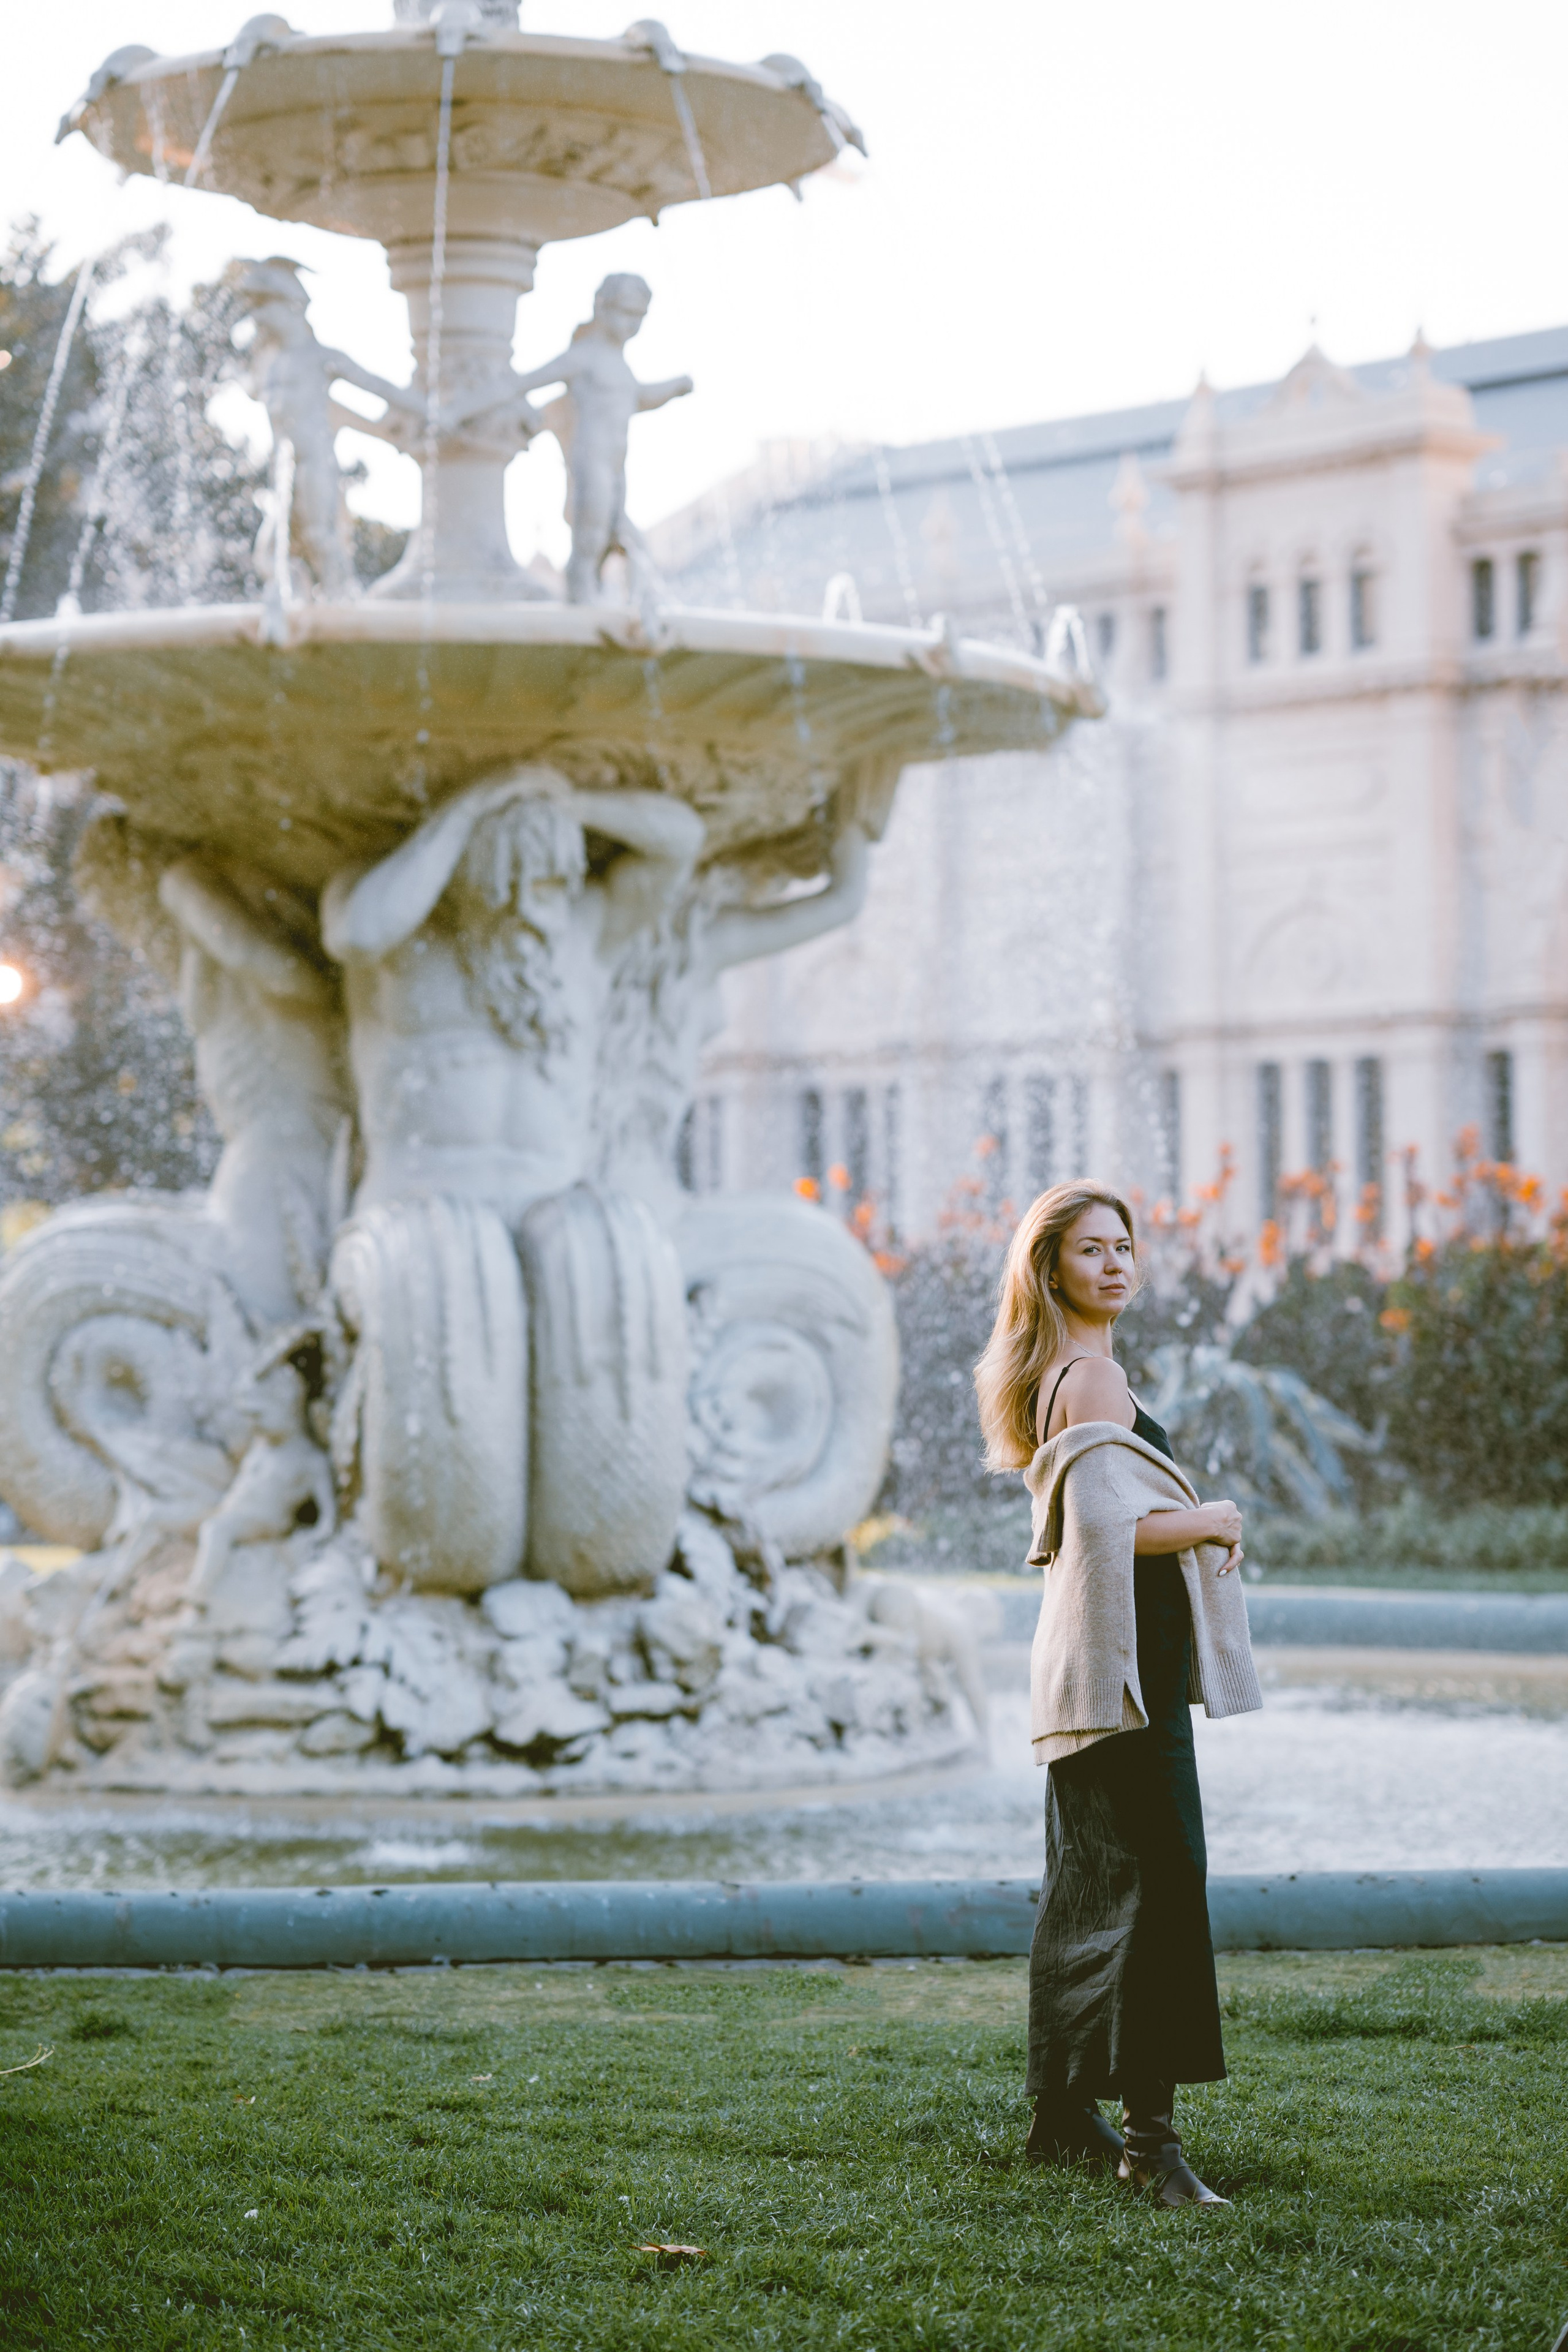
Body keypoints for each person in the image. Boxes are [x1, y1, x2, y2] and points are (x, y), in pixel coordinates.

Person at [973, 1181, 1262, 2208]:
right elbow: (1106, 1530)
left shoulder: (1069, 1369)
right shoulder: (1091, 1377)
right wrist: (1213, 1517)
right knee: (1164, 1892)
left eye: (1124, 1246)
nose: (1115, 1263)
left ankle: (1061, 2116)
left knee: (1092, 1895)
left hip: (1092, 1676)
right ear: (1049, 1269)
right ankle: (1152, 2145)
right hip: (1124, 1683)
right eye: (1090, 1249)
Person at [320, 764, 704, 1228]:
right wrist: (468, 810)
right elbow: (359, 935)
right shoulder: (407, 937)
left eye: (546, 887)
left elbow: (684, 840)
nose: (525, 909)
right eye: (502, 888)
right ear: (464, 877)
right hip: (418, 1215)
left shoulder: (587, 933)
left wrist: (567, 804)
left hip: (558, 1217)